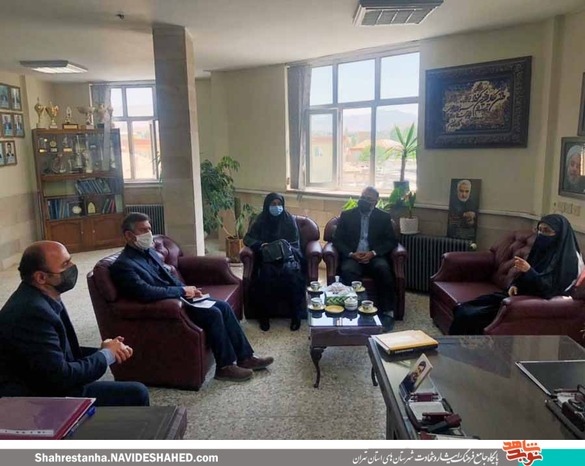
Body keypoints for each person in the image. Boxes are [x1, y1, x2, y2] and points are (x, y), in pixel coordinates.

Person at [110, 212, 274, 383]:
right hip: (168, 305)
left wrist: (188, 289)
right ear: (129, 235)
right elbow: (146, 292)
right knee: (214, 313)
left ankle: (246, 357)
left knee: (223, 307)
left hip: (179, 296)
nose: (149, 234)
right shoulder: (123, 265)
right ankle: (224, 367)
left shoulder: (148, 252)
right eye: (143, 230)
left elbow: (168, 277)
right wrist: (181, 292)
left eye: (149, 229)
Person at [0, 241, 149, 406]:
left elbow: (63, 352)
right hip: (38, 397)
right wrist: (106, 355)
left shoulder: (44, 295)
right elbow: (61, 378)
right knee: (137, 393)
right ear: (41, 277)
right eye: (65, 264)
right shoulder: (32, 312)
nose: (72, 267)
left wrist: (105, 350)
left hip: (48, 380)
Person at [449, 214, 583, 335]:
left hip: (529, 303)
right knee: (464, 307)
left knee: (469, 316)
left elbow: (550, 290)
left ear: (559, 234)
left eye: (547, 231)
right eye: (540, 230)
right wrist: (515, 285)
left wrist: (529, 271)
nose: (541, 234)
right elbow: (523, 276)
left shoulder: (569, 260)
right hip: (518, 294)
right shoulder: (541, 249)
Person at [333, 186, 398, 318]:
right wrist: (351, 254)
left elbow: (391, 241)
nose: (364, 201)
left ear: (376, 201)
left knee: (383, 269)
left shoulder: (383, 217)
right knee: (347, 271)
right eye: (362, 197)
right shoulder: (347, 215)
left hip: (374, 256)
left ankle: (387, 311)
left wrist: (373, 253)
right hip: (353, 256)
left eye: (368, 199)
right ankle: (355, 308)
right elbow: (337, 240)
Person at [244, 192, 305, 332]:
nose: (277, 207)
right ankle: (264, 316)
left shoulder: (289, 219)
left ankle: (296, 315)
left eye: (279, 204)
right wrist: (261, 245)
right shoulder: (260, 220)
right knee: (265, 276)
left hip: (286, 258)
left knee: (292, 275)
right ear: (267, 205)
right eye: (273, 204)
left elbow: (295, 242)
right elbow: (248, 238)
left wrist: (284, 248)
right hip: (267, 259)